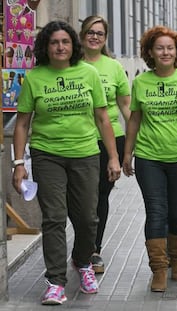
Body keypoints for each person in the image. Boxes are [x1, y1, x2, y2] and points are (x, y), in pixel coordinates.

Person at [12, 20, 121, 305]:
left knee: (88, 218)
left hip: (85, 153)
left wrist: (113, 157)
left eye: (65, 42)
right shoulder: (35, 77)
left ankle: (82, 262)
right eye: (54, 42)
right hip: (47, 154)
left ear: (74, 45)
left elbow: (102, 118)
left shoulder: (88, 73)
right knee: (54, 219)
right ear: (46, 47)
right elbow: (22, 123)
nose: (60, 47)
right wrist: (18, 163)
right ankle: (56, 281)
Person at [122, 26, 177, 292]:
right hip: (149, 158)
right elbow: (135, 119)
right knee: (156, 212)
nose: (166, 52)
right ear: (150, 52)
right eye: (160, 48)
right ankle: (158, 268)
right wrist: (127, 152)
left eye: (170, 47)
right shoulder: (142, 82)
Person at [79, 15, 131, 274]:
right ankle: (84, 244)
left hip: (110, 140)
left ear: (105, 38)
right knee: (78, 199)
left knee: (100, 196)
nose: (95, 37)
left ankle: (93, 249)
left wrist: (135, 141)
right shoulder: (71, 64)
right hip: (80, 138)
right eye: (90, 32)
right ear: (82, 35)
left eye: (99, 33)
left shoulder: (114, 67)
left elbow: (125, 106)